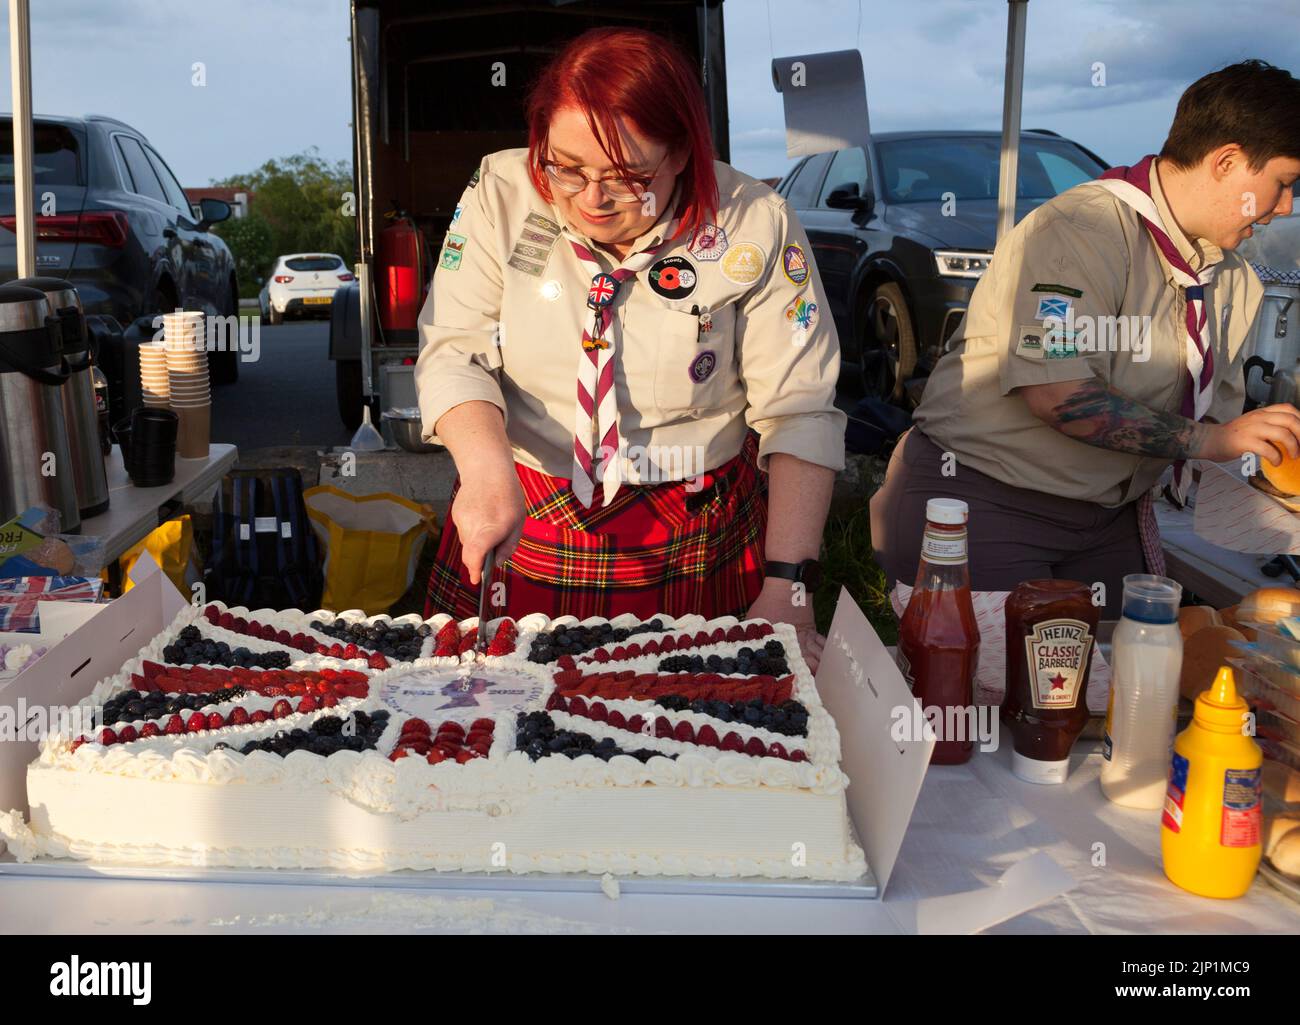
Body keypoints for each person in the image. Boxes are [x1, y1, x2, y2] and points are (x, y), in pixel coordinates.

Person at [415, 28, 844, 670]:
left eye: (626, 176)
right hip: (527, 507)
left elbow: (800, 408)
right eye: (566, 167)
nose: (591, 199)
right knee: (498, 733)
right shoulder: (502, 194)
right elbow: (456, 351)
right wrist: (481, 471)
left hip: (693, 525)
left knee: (689, 729)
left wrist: (788, 584)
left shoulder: (753, 222)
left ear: (681, 154)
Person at [872, 60, 1300, 615]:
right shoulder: (1081, 231)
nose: (1285, 207)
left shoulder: (1231, 278)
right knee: (987, 690)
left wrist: (1258, 450)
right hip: (991, 501)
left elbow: (1211, 423)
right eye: (1283, 184)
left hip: (1109, 517)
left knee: (1125, 687)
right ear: (1227, 161)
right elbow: (1062, 396)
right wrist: (1212, 441)